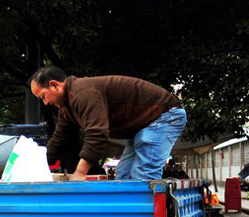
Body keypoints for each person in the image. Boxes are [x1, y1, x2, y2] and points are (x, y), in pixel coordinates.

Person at [29, 67, 187, 181]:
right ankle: (128, 216)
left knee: (143, 174)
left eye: (43, 96)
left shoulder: (83, 94)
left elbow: (97, 134)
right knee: (124, 176)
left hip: (165, 115)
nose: (45, 103)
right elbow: (59, 140)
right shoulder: (67, 109)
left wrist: (80, 172)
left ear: (55, 85)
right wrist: (34, 169)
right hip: (145, 123)